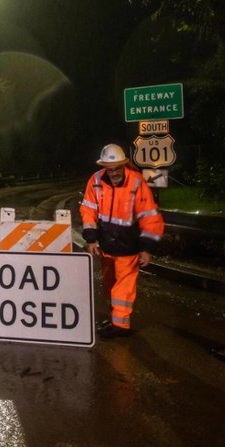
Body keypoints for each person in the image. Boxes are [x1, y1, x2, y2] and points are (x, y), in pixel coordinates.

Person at [80, 143, 165, 338]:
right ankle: (115, 317)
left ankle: (120, 325)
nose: (114, 173)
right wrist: (91, 239)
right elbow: (88, 210)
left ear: (124, 165)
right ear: (104, 168)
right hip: (107, 246)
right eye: (110, 169)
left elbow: (149, 217)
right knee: (109, 285)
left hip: (129, 246)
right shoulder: (95, 181)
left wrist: (146, 248)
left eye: (117, 168)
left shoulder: (136, 182)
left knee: (122, 287)